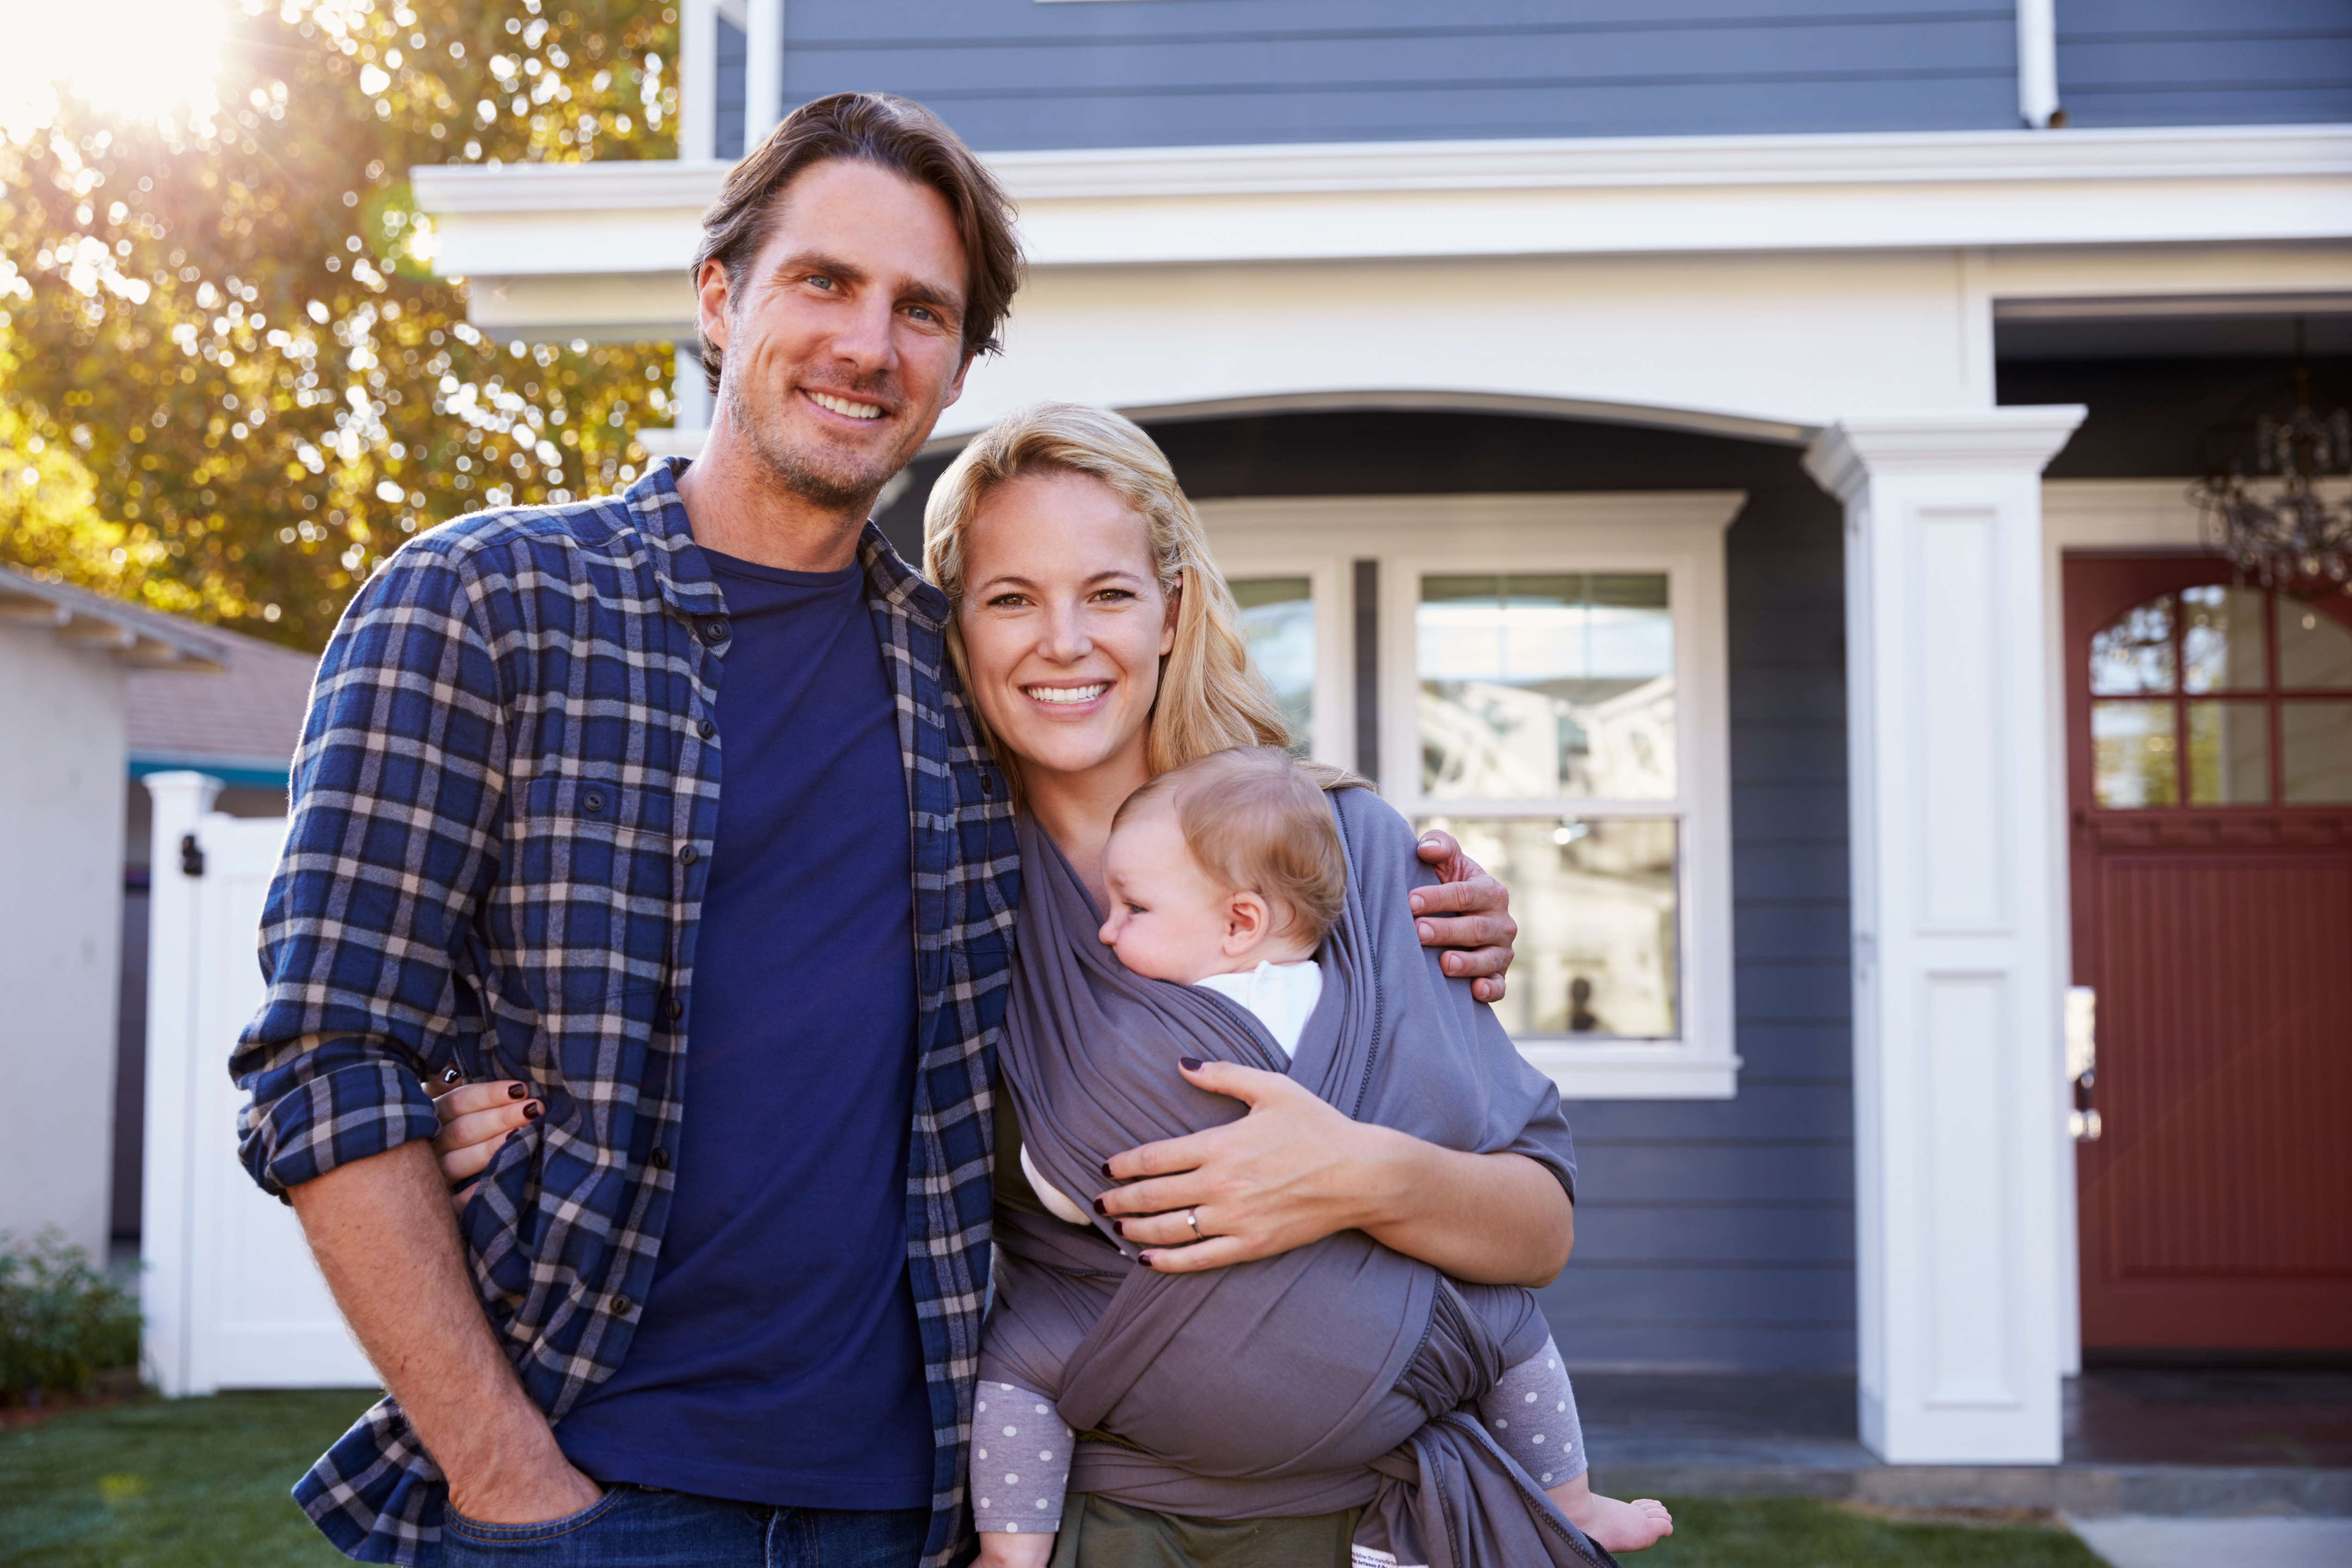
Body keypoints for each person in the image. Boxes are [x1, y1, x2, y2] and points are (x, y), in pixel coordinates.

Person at [234, 93, 1525, 1568]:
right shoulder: (483, 605)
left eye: (924, 310)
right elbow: (327, 1060)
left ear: (959, 362)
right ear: (719, 298)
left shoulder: (962, 668)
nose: (869, 344)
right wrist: (505, 1475)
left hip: (914, 1503)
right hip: (586, 1476)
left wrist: (1391, 897)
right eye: (823, 282)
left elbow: (1172, 840)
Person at [968, 745, 1674, 1566]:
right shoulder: (1342, 968)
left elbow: (1537, 1226)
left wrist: (1357, 1174)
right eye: (1012, 603)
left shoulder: (1370, 873)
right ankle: (1571, 1501)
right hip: (1174, 1469)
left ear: (1241, 921)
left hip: (1309, 1454)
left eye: (1132, 908)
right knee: (1508, 1329)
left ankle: (1009, 1552)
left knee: (1019, 1359)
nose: (1106, 929)